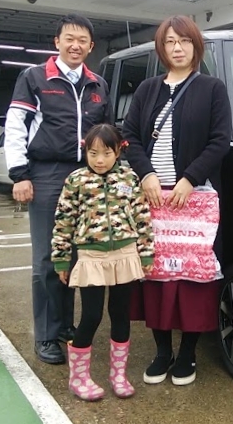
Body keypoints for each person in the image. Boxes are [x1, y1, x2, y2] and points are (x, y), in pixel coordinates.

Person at [122, 15, 231, 386]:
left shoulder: (212, 88)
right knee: (157, 275)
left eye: (184, 41)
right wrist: (146, 174)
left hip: (194, 198)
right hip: (154, 197)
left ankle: (187, 354)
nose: (177, 48)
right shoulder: (147, 89)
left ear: (195, 45)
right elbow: (129, 137)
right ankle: (162, 352)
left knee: (192, 276)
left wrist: (191, 177)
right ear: (161, 48)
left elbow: (220, 140)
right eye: (170, 42)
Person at [5, 13, 112, 365]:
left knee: (77, 255)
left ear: (91, 46)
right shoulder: (35, 78)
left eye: (82, 40)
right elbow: (16, 126)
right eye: (69, 38)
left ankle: (65, 325)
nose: (75, 45)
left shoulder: (97, 84)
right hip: (46, 173)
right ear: (57, 42)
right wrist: (20, 174)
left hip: (86, 174)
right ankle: (47, 335)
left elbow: (107, 133)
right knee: (48, 258)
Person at [51, 123, 153, 401]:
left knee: (121, 315)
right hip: (91, 257)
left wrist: (146, 253)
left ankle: (118, 375)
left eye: (106, 153)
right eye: (93, 153)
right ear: (85, 151)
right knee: (92, 316)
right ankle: (78, 378)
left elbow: (142, 217)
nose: (99, 160)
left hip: (125, 255)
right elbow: (63, 222)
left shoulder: (129, 178)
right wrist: (61, 259)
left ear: (118, 151)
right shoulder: (76, 180)